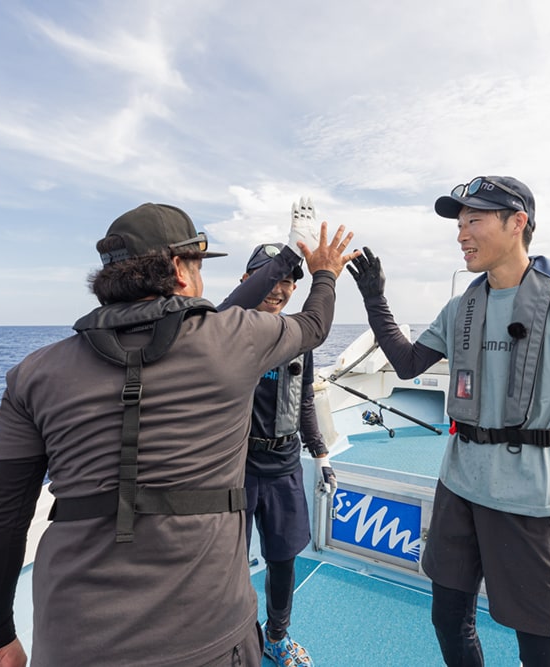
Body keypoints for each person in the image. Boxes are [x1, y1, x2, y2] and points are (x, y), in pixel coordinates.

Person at [0, 202, 357, 667]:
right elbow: (314, 325)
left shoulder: (31, 375)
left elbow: (1, 519)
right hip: (211, 637)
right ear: (179, 270)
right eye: (198, 265)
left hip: (71, 641)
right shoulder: (234, 340)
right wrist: (324, 272)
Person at [346, 176, 550, 667]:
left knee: (537, 647)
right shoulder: (461, 306)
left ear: (517, 224)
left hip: (531, 501)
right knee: (447, 621)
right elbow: (406, 364)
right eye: (459, 223)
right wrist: (375, 299)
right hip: (459, 488)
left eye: (475, 221)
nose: (461, 234)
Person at [216, 200, 335, 667]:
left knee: (284, 559)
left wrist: (321, 454)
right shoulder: (224, 333)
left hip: (284, 463)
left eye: (288, 280)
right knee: (226, 563)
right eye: (273, 277)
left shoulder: (297, 336)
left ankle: (277, 636)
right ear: (247, 282)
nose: (281, 288)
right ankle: (232, 637)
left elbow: (304, 401)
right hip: (235, 468)